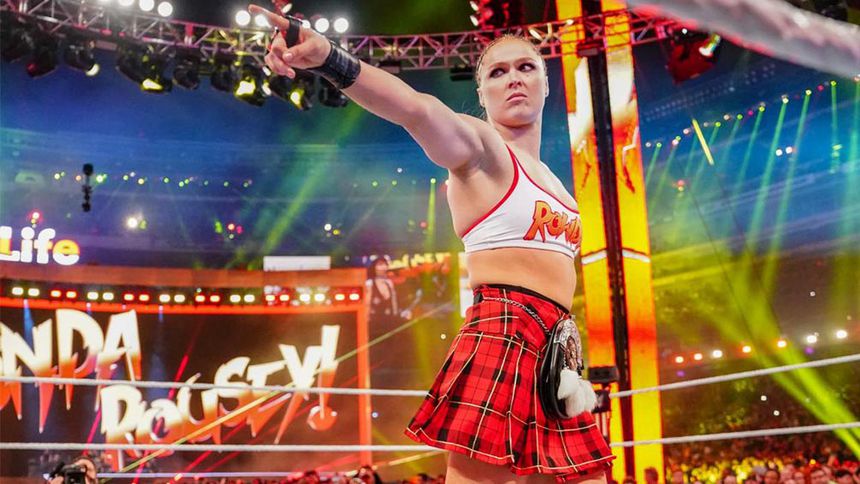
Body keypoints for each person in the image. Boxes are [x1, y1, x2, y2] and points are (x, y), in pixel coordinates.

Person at [250, 4, 614, 483]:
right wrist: (329, 58)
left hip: (558, 352)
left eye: (526, 67)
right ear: (482, 94)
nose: (514, 79)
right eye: (498, 72)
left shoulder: (558, 185)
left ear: (546, 84)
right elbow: (415, 108)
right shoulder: (482, 149)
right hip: (504, 332)